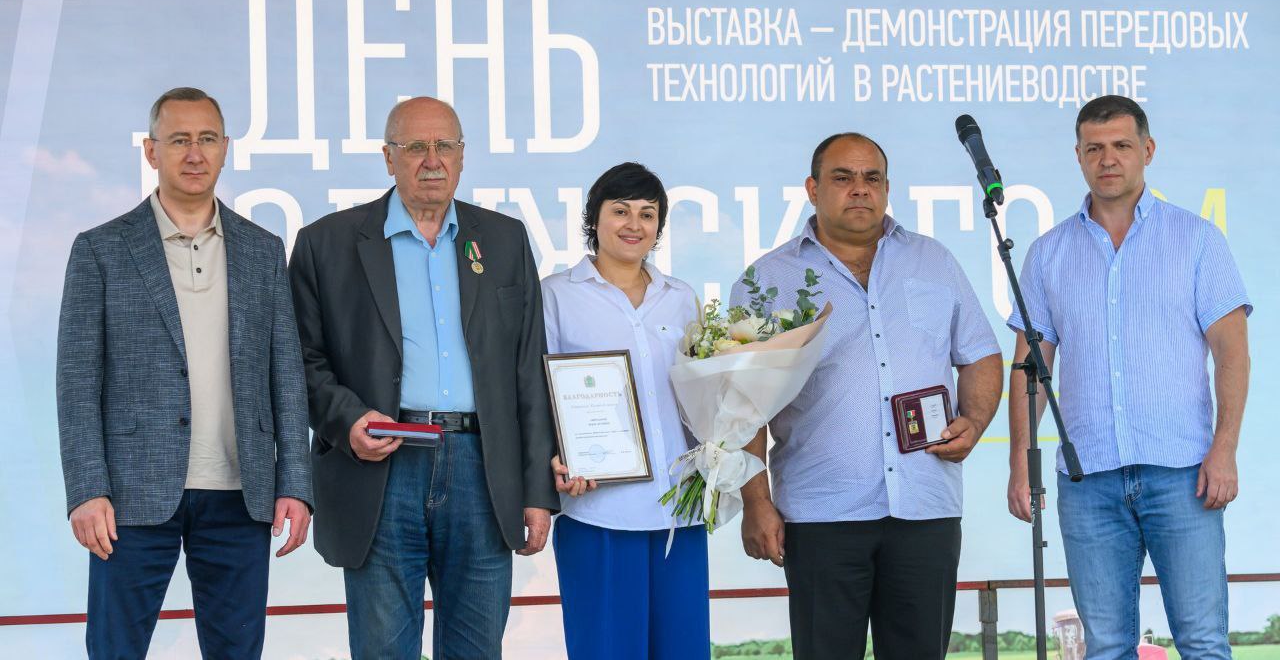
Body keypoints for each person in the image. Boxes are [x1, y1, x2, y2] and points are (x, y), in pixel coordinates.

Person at [288, 96, 558, 659]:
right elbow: (300, 359)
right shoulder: (326, 243)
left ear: (462, 156)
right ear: (389, 157)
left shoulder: (504, 240)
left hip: (483, 472)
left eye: (445, 146)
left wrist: (538, 491)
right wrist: (347, 420)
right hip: (381, 469)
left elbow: (529, 371)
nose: (432, 160)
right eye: (415, 147)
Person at [56, 86, 313, 659]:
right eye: (178, 140)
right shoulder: (100, 250)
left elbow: (287, 379)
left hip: (241, 493)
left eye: (206, 139)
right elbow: (76, 383)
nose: (194, 154)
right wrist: (87, 489)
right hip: (129, 497)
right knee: (114, 651)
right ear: (151, 151)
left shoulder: (263, 250)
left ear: (225, 148)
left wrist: (295, 484)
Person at [732, 132, 1003, 660]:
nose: (860, 189)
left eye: (871, 178)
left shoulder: (933, 260)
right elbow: (743, 404)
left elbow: (980, 354)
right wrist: (756, 502)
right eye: (842, 177)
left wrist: (973, 419)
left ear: (887, 189)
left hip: (924, 505)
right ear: (812, 189)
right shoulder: (768, 280)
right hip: (820, 513)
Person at [1006, 95, 1250, 660]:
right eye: (1094, 148)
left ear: (1148, 150)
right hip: (1087, 480)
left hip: (1183, 474)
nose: (1108, 159)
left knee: (1203, 643)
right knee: (1106, 648)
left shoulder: (1196, 239)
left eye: (1121, 145)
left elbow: (1232, 355)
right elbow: (1030, 369)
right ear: (1078, 155)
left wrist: (1225, 450)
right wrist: (1020, 459)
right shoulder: (1048, 253)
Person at [542, 162, 710, 660]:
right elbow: (535, 394)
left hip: (679, 512)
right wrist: (554, 457)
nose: (634, 224)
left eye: (647, 214)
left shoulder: (681, 298)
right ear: (593, 218)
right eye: (620, 211)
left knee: (682, 652)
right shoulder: (556, 295)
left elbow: (701, 395)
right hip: (599, 510)